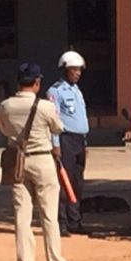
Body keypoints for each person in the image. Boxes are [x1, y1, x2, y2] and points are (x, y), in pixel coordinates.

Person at [0, 62, 77, 261]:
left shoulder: (5, 106)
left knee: (22, 215)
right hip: (42, 159)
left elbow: (4, 129)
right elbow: (58, 128)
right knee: (49, 214)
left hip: (17, 161)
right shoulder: (45, 107)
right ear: (36, 82)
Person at [47, 50, 89, 237]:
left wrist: (85, 142)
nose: (78, 73)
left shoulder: (77, 90)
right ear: (64, 70)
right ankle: (62, 221)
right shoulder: (55, 91)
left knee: (78, 182)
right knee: (65, 182)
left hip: (79, 140)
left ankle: (75, 220)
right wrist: (55, 144)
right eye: (74, 69)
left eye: (79, 69)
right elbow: (54, 119)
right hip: (65, 140)